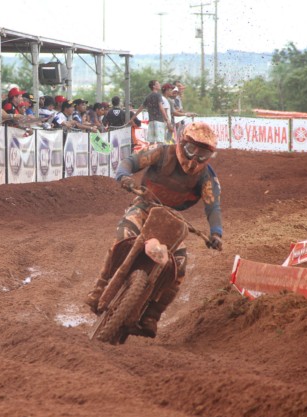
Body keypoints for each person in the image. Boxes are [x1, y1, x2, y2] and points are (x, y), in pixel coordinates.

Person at [85, 121, 223, 338]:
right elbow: (130, 161)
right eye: (191, 150)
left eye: (203, 154)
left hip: (172, 219)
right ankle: (99, 288)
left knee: (180, 268)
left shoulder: (207, 177)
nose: (195, 158)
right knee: (122, 237)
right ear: (182, 143)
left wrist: (216, 233)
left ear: (209, 157)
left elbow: (212, 204)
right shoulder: (161, 152)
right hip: (144, 206)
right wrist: (125, 176)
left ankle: (152, 316)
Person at [130, 80, 173, 144]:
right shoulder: (158, 95)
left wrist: (132, 118)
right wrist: (167, 119)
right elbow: (161, 108)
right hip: (159, 122)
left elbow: (141, 108)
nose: (159, 85)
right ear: (154, 86)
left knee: (151, 144)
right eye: (158, 84)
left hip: (151, 122)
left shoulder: (148, 97)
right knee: (160, 143)